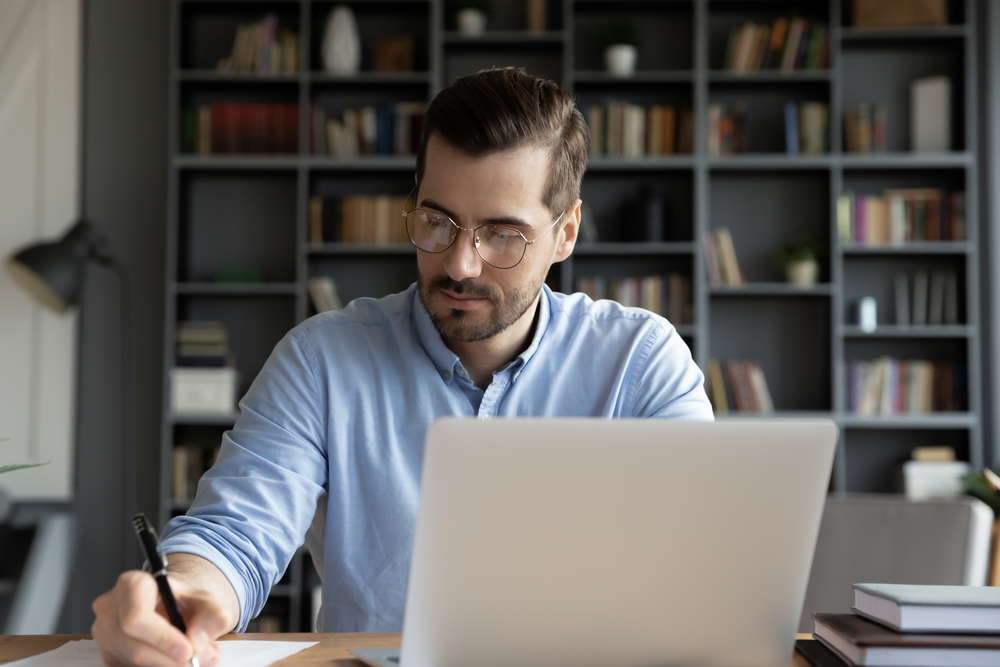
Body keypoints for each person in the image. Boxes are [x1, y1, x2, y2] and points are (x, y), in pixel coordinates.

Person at [91, 67, 713, 667]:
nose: (461, 264)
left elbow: (703, 564)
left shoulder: (641, 362)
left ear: (566, 233)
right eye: (438, 222)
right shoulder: (322, 360)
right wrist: (190, 595)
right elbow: (235, 533)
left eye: (502, 235)